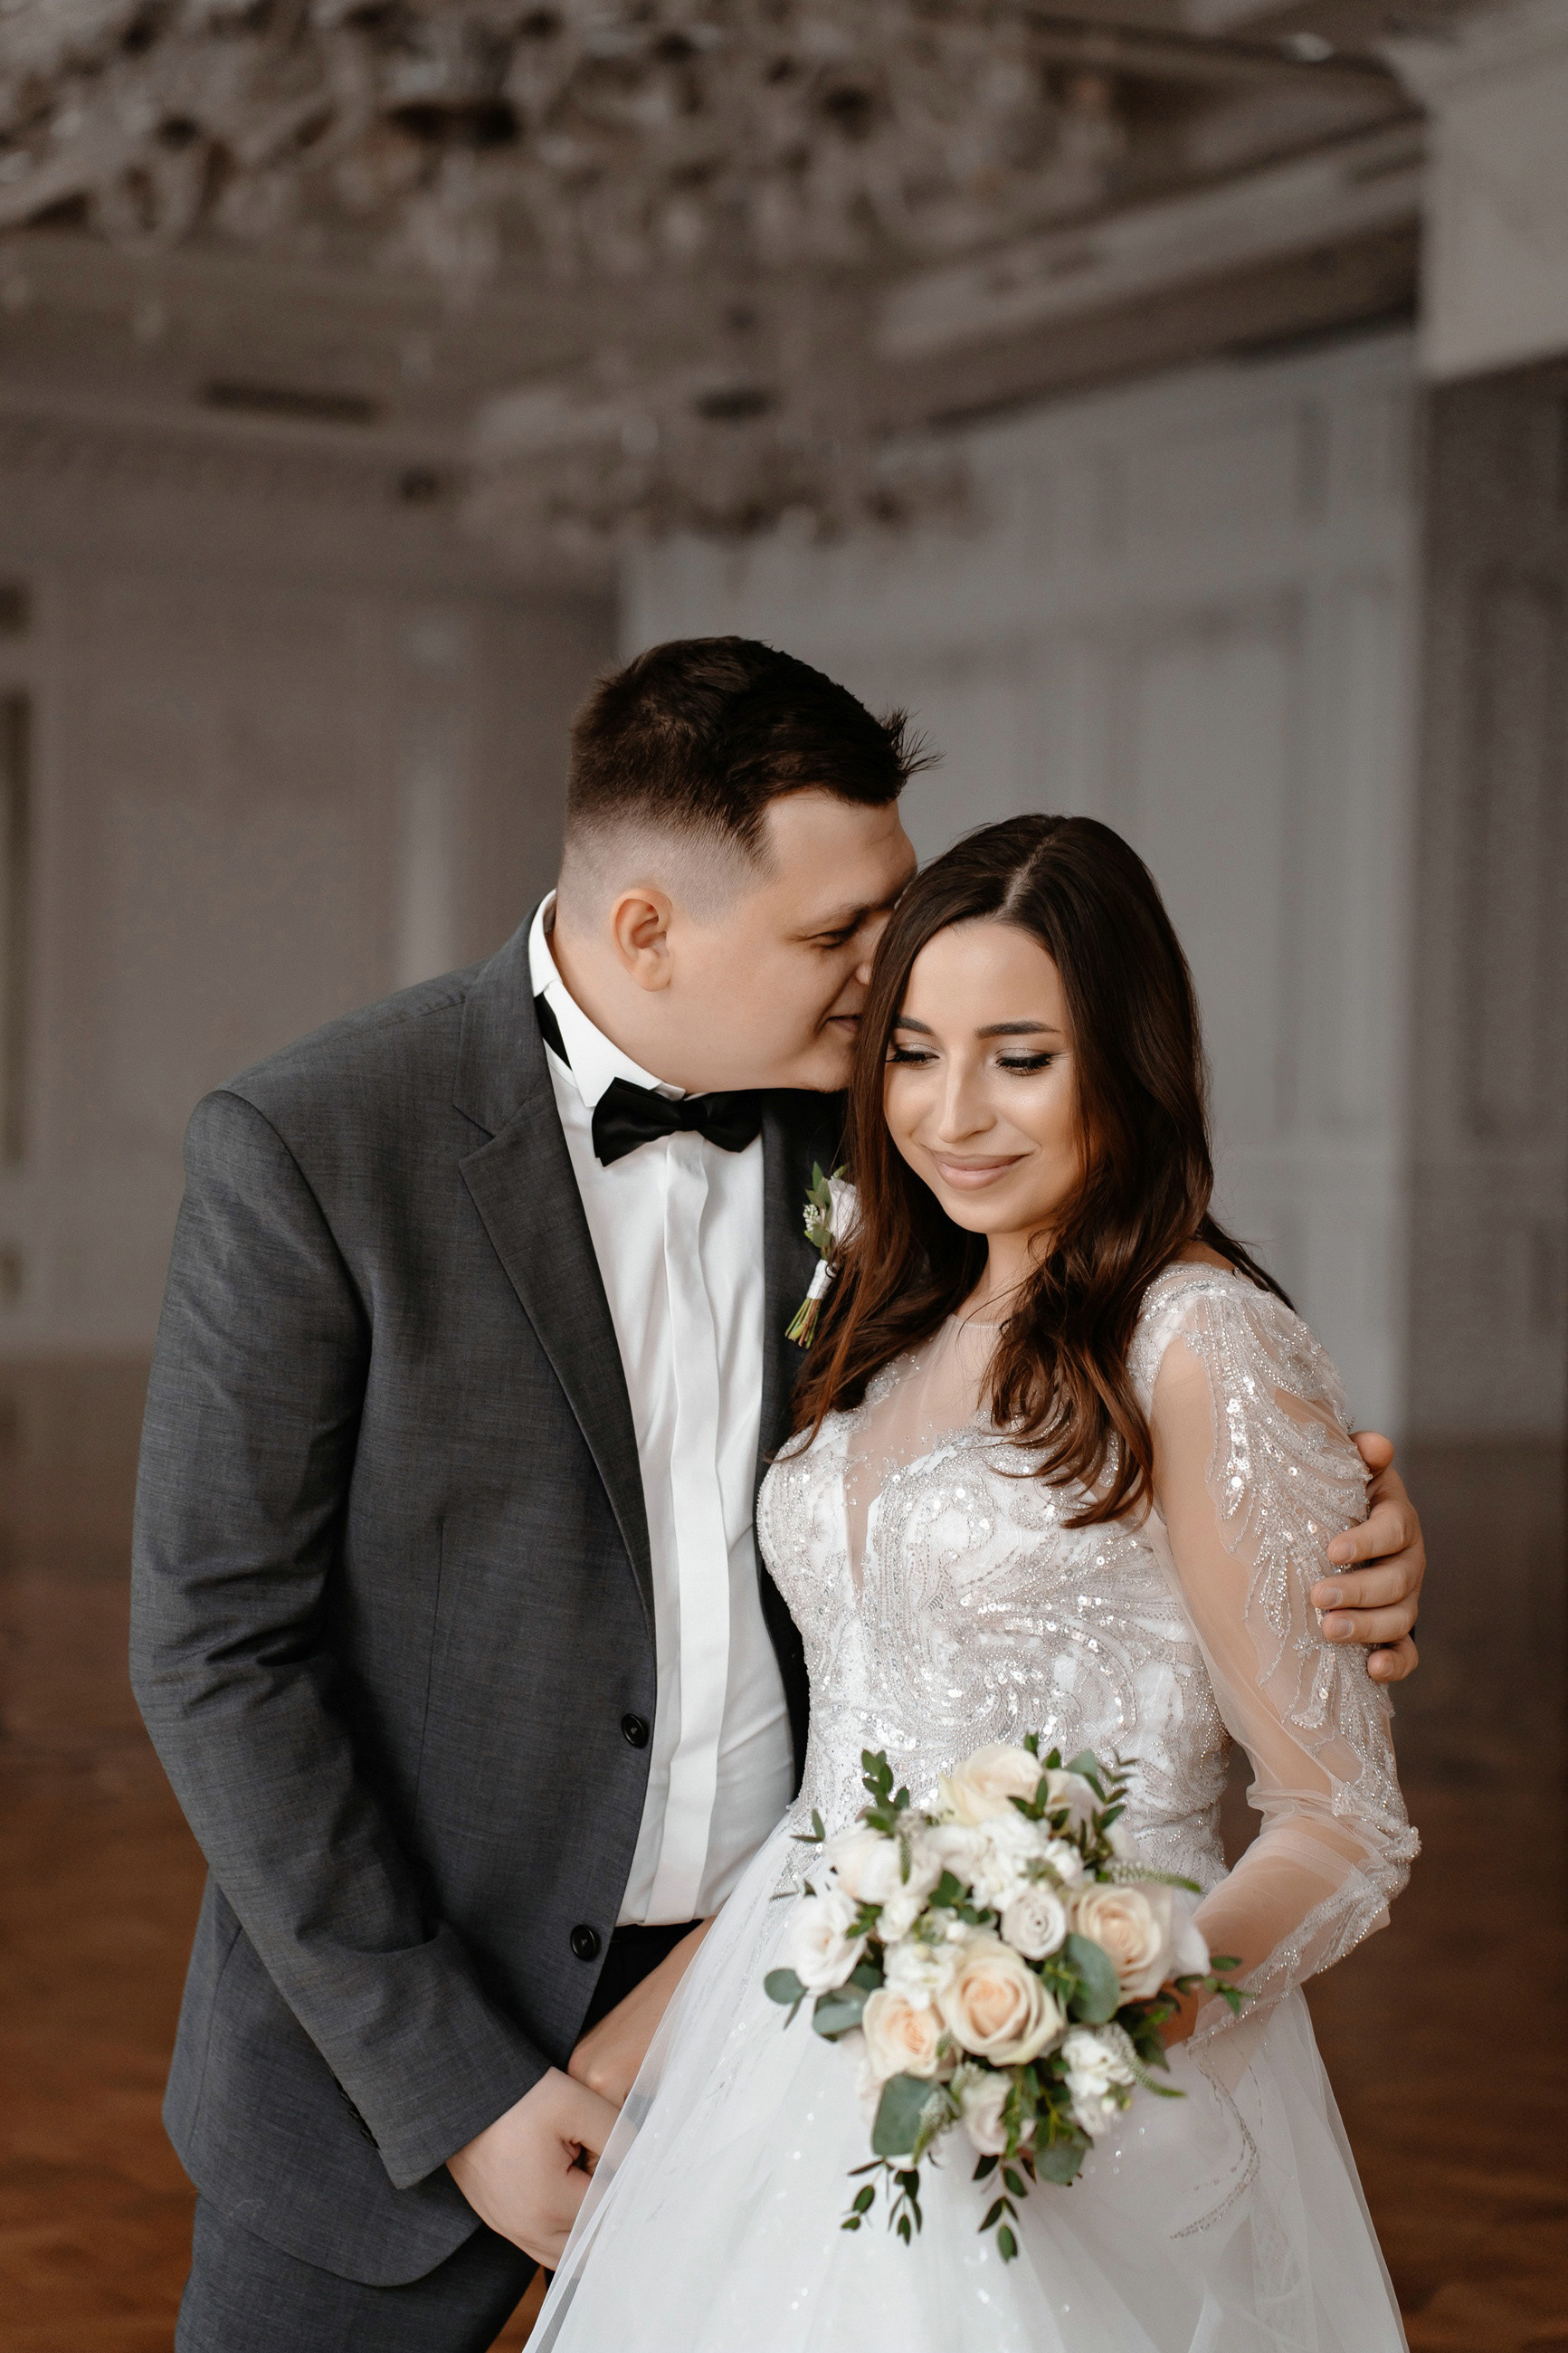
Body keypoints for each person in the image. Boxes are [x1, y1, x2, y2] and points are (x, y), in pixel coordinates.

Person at [129, 644, 1423, 2352]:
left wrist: (1337, 1539)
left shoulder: (889, 1146)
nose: (892, 983)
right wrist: (454, 2086)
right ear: (649, 928)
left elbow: (1140, 1428)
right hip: (398, 2037)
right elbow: (216, 1653)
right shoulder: (314, 1144)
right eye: (841, 937)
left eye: (896, 913)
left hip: (833, 2029)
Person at [533, 813, 1419, 2353]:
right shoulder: (892, 1309)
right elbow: (847, 1770)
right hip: (794, 2034)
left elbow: (1341, 1826)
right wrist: (641, 2053)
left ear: (1124, 1063)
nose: (952, 1114)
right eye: (913, 1054)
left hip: (1067, 2090)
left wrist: (1104, 2018)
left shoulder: (1199, 1343)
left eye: (1020, 1059)